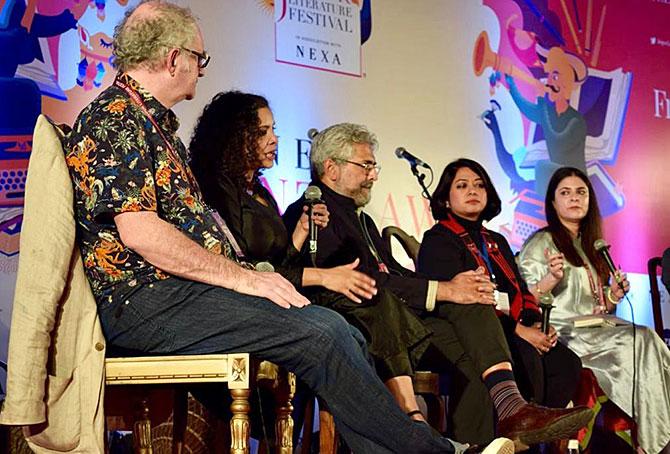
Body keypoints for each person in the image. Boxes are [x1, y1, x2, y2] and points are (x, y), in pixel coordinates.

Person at [64, 2, 513, 453]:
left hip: (179, 294)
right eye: (200, 59)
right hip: (148, 300)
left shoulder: (151, 123)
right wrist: (246, 279)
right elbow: (141, 233)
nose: (201, 71)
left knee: (346, 333)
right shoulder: (116, 118)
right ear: (172, 57)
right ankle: (438, 451)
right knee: (324, 332)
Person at [283, 123, 593, 449]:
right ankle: (508, 413)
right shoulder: (313, 214)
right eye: (367, 165)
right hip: (366, 329)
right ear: (331, 168)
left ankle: (501, 419)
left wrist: (454, 286)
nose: (374, 175)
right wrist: (445, 290)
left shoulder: (362, 218)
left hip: (402, 321)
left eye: (374, 166)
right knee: (468, 308)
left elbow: (398, 273)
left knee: (475, 341)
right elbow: (362, 283)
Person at [188, 91, 433, 423]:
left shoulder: (259, 193)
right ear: (235, 137)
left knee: (371, 310)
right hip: (249, 309)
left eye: (274, 130)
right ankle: (406, 420)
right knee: (361, 310)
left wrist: (301, 233)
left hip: (282, 297)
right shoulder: (218, 193)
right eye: (262, 132)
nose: (274, 139)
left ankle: (403, 421)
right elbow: (246, 270)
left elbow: (281, 262)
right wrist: (324, 276)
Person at [417, 158, 583, 443]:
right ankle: (516, 433)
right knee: (525, 353)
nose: (473, 191)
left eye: (479, 185)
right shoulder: (438, 239)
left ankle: (533, 435)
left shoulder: (496, 241)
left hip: (507, 326)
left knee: (566, 363)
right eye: (462, 185)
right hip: (463, 331)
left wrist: (536, 326)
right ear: (445, 199)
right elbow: (463, 305)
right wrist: (520, 332)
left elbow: (518, 289)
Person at [517, 166, 670, 454]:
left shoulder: (592, 246)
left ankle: (656, 434)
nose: (574, 198)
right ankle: (654, 444)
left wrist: (612, 295)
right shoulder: (541, 243)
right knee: (641, 339)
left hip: (598, 328)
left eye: (581, 192)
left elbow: (598, 306)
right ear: (552, 202)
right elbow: (524, 302)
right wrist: (551, 279)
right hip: (565, 333)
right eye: (565, 193)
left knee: (651, 342)